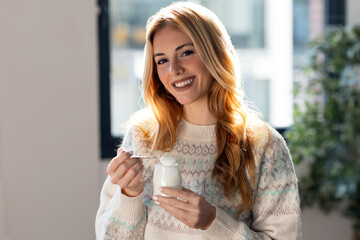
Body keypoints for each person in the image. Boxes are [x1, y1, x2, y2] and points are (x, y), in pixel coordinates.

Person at [95, 2, 301, 239]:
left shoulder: (264, 145)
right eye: (162, 60)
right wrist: (129, 195)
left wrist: (213, 221)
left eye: (186, 53)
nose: (174, 69)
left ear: (214, 53)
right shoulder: (142, 136)